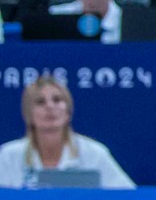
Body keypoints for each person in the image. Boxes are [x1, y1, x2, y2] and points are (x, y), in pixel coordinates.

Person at [0, 75, 134, 189]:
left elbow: (128, 198)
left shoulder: (94, 154)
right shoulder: (9, 156)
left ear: (68, 111)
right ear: (28, 114)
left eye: (57, 100)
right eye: (40, 102)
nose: (50, 106)